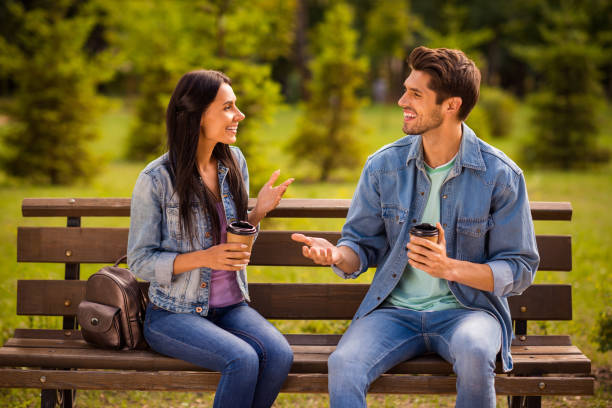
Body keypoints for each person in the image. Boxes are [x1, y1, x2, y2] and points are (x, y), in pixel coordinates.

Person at [292, 47, 539, 407]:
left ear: (451, 105)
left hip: (469, 312)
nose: (400, 100)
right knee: (344, 363)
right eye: (405, 89)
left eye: (415, 94)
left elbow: (520, 267)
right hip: (394, 313)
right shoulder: (383, 166)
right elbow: (360, 244)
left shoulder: (500, 175)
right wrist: (337, 254)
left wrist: (448, 267)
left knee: (473, 351)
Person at [128, 69, 294, 408]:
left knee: (279, 354)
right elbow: (140, 261)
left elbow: (233, 242)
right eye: (228, 107)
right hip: (173, 314)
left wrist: (257, 214)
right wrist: (205, 257)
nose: (240, 115)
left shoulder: (233, 163)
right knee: (243, 359)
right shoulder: (157, 179)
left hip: (230, 306)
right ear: (198, 115)